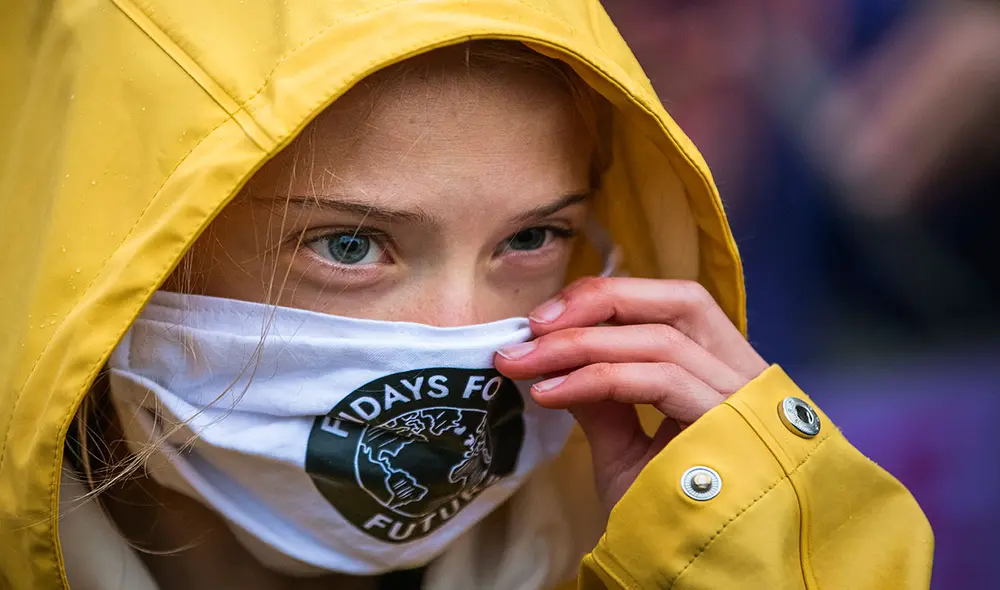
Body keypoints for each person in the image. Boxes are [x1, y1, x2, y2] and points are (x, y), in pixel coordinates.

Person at [0, 2, 932, 589]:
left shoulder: (635, 548)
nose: (464, 338)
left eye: (531, 238)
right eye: (350, 244)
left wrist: (759, 546)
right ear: (120, 251)